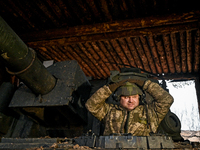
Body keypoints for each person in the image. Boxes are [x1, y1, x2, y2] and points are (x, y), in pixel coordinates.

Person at [85, 79, 174, 136]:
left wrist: (146, 85)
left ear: (140, 98)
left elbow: (167, 100)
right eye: (126, 97)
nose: (131, 100)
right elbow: (91, 105)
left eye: (134, 97)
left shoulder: (151, 112)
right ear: (118, 98)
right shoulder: (109, 111)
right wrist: (109, 89)